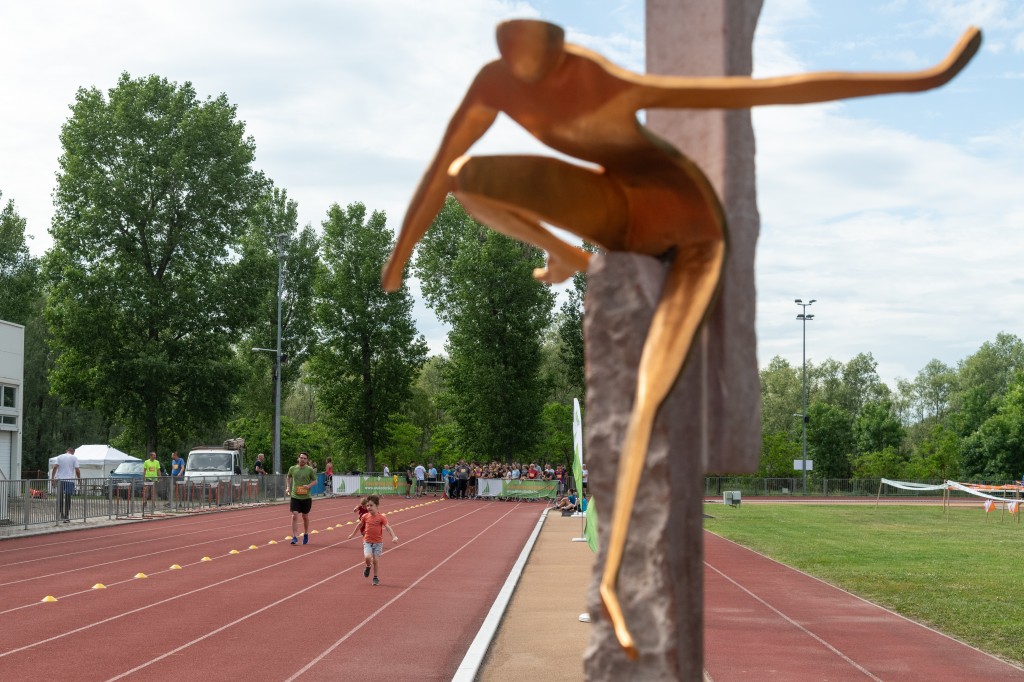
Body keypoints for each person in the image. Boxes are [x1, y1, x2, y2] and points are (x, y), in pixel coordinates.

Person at [377, 18, 982, 656]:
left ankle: (612, 580)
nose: (530, 92)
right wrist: (400, 256)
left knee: (647, 401)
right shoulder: (494, 82)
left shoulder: (604, 81)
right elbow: (440, 169)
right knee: (469, 174)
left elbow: (770, 91)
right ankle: (567, 256)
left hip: (691, 225)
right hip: (617, 212)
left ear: (562, 60)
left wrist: (925, 78)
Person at [347, 494, 398, 586]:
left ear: (377, 505)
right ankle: (368, 566)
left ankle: (375, 577)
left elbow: (388, 527)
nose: (369, 507)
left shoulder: (381, 517)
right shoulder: (365, 516)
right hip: (367, 541)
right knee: (367, 557)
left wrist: (394, 536)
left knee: (375, 560)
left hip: (378, 543)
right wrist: (352, 534)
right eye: (368, 505)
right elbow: (359, 525)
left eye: (371, 505)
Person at [287, 452, 317, 545]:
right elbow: (288, 477)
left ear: (307, 460)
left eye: (305, 458)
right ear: (298, 458)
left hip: (306, 497)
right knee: (294, 515)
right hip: (295, 496)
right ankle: (294, 537)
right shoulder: (292, 468)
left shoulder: (309, 470)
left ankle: (306, 533)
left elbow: (315, 481)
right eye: (301, 458)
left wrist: (308, 486)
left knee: (305, 516)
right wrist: (288, 487)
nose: (303, 459)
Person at [51, 447, 80, 523]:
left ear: (67, 451)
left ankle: (61, 514)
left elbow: (55, 467)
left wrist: (52, 478)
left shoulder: (60, 457)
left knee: (60, 497)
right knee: (68, 498)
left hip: (60, 480)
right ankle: (66, 516)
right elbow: (77, 470)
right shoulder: (74, 458)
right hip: (69, 480)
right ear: (73, 452)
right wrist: (79, 479)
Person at [142, 451, 162, 516]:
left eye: (155, 455)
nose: (155, 456)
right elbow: (144, 470)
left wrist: (160, 477)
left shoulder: (157, 462)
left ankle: (153, 503)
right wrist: (144, 477)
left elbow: (158, 470)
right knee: (146, 490)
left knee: (153, 491)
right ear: (151, 456)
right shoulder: (146, 462)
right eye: (154, 455)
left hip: (154, 478)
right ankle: (145, 501)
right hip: (148, 478)